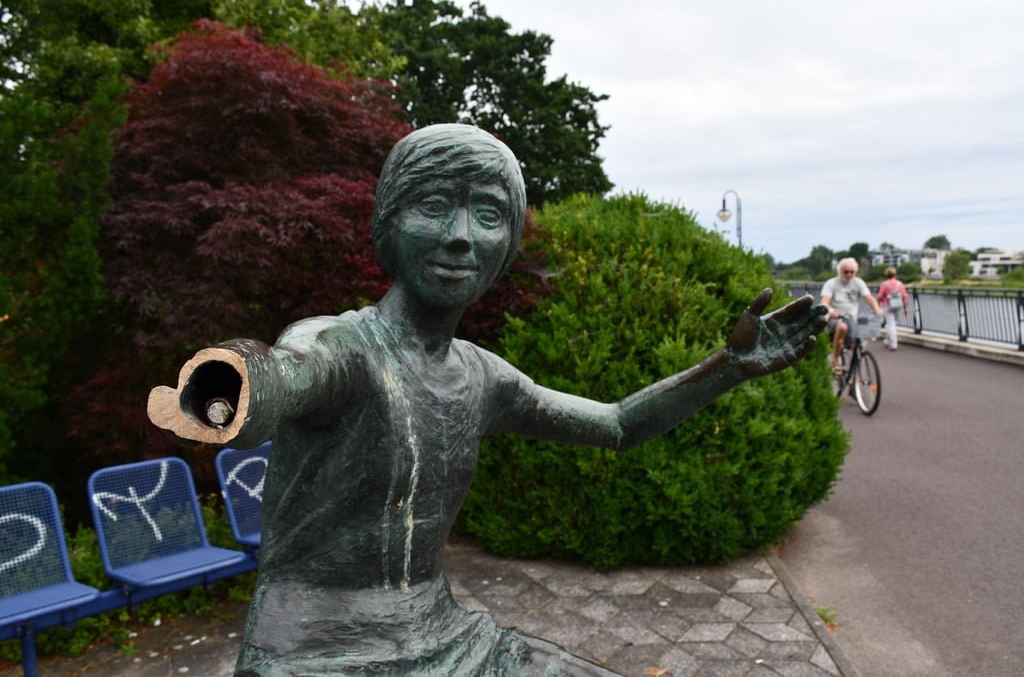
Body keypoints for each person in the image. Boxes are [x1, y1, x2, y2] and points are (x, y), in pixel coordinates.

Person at [147, 124, 828, 677]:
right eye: (435, 205)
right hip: (314, 652)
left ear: (506, 246)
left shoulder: (481, 377)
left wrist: (727, 369)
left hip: (442, 632)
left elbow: (617, 424)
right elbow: (287, 374)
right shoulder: (343, 348)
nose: (461, 234)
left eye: (490, 214)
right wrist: (232, 388)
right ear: (389, 225)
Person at [820, 257, 884, 374]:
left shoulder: (858, 282)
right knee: (842, 327)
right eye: (846, 271)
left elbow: (869, 298)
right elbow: (824, 301)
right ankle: (835, 360)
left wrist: (877, 309)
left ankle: (858, 379)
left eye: (852, 272)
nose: (849, 274)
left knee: (860, 346)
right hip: (836, 319)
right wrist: (830, 310)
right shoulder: (831, 283)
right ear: (840, 271)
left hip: (853, 319)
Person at [876, 266, 909, 350]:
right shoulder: (900, 284)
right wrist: (905, 308)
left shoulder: (884, 284)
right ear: (895, 274)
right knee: (893, 323)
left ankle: (893, 344)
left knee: (890, 324)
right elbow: (905, 297)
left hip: (888, 306)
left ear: (886, 274)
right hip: (898, 306)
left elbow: (880, 296)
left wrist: (877, 305)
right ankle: (888, 340)